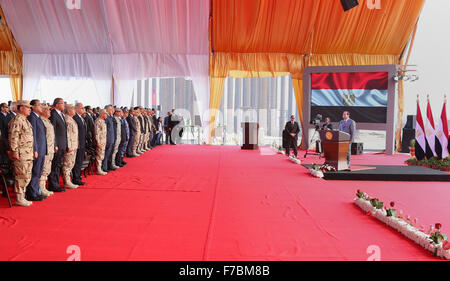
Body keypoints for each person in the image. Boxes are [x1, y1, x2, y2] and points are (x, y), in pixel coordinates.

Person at [9, 100, 34, 207]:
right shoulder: (17, 120)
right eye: (27, 107)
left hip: (27, 153)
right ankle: (19, 198)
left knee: (26, 175)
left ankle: (22, 196)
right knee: (21, 175)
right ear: (21, 108)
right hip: (21, 154)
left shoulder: (25, 120)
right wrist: (14, 151)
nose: (30, 109)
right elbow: (13, 137)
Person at [26, 99, 48, 201]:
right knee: (35, 172)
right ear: (33, 107)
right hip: (37, 150)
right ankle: (32, 194)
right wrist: (35, 149)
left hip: (42, 149)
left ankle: (36, 191)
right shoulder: (32, 117)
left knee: (38, 172)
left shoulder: (38, 117)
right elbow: (33, 135)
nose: (41, 107)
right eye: (39, 105)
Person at [48, 98, 67, 193]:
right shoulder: (53, 114)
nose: (64, 105)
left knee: (58, 165)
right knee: (55, 165)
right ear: (57, 104)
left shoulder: (61, 114)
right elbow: (53, 131)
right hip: (57, 145)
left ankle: (56, 184)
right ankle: (53, 185)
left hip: (62, 144)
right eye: (62, 103)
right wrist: (55, 144)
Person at [39, 105, 55, 197]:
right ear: (43, 111)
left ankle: (44, 187)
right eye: (48, 110)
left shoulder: (47, 121)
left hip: (50, 148)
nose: (50, 112)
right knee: (43, 169)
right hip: (45, 149)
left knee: (47, 169)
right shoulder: (41, 121)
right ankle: (41, 188)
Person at [62, 105, 79, 189]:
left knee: (71, 163)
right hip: (70, 146)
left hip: (74, 145)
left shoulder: (71, 119)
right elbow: (67, 134)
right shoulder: (67, 119)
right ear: (68, 111)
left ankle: (68, 180)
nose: (74, 110)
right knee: (67, 164)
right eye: (72, 109)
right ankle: (67, 181)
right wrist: (68, 146)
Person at [72, 103, 87, 186]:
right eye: (82, 108)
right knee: (77, 162)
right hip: (78, 143)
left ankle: (78, 176)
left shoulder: (80, 118)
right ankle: (76, 178)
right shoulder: (75, 117)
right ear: (76, 108)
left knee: (80, 161)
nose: (83, 109)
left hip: (82, 142)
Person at [94, 109, 108, 175]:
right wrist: (98, 142)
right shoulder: (98, 121)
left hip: (103, 141)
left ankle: (100, 168)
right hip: (100, 141)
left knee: (102, 155)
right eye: (105, 114)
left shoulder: (103, 121)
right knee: (99, 156)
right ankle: (98, 169)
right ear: (102, 114)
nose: (106, 115)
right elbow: (97, 133)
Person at [103, 105, 116, 172]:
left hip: (111, 138)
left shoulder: (110, 117)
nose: (112, 111)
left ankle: (108, 166)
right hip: (108, 139)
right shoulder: (106, 117)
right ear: (107, 110)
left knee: (109, 153)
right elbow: (105, 130)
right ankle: (104, 167)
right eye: (111, 109)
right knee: (106, 154)